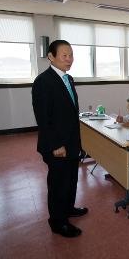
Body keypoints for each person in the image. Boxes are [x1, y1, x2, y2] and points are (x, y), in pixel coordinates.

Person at [32, 40, 87, 238]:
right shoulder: (43, 82)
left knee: (71, 179)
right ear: (51, 56)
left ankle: (68, 208)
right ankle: (57, 222)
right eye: (64, 55)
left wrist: (77, 143)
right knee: (58, 184)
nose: (69, 59)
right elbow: (43, 119)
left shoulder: (68, 78)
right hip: (57, 146)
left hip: (71, 143)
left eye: (71, 55)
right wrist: (56, 145)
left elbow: (71, 114)